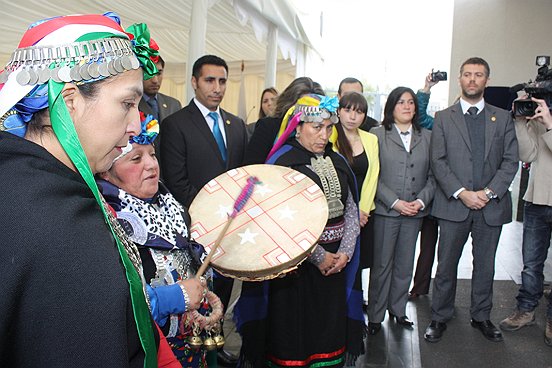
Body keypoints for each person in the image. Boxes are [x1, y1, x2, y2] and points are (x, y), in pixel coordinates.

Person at [0, 13, 182, 367]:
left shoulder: (22, 180)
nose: (135, 125)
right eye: (127, 104)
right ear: (70, 102)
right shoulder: (60, 223)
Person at [234, 94, 364, 367]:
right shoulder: (282, 164)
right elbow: (278, 222)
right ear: (297, 126)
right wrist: (319, 257)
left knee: (328, 333)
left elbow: (351, 208)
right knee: (295, 334)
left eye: (329, 128)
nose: (324, 135)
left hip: (335, 265)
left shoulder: (338, 160)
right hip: (295, 269)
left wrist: (345, 253)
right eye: (316, 127)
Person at [97, 113, 221, 366]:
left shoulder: (173, 208)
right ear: (107, 172)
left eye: (152, 154)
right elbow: (111, 309)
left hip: (192, 346)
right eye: (136, 158)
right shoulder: (105, 223)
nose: (152, 165)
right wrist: (175, 298)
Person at [424, 57, 519, 343]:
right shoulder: (443, 118)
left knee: (485, 266)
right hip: (454, 204)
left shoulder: (502, 118)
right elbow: (437, 161)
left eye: (479, 75)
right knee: (446, 265)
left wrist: (488, 193)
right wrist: (462, 193)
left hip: (491, 206)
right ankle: (440, 316)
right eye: (468, 74)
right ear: (460, 79)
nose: (473, 80)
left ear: (487, 80)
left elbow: (510, 160)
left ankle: (481, 317)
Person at [161, 54, 247, 366]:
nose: (217, 87)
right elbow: (176, 182)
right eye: (210, 80)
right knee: (199, 293)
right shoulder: (175, 125)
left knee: (223, 288)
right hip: (194, 229)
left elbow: (241, 178)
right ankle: (196, 349)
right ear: (195, 82)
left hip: (230, 230)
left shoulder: (236, 126)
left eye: (222, 81)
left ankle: (217, 341)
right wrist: (211, 215)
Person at [366, 87, 435, 335]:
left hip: (416, 212)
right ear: (391, 107)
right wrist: (395, 202)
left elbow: (432, 176)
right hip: (387, 211)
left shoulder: (427, 136)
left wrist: (421, 202)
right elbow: (373, 176)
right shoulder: (377, 135)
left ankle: (398, 310)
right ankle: (375, 315)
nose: (407, 107)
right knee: (382, 263)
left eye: (411, 103)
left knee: (405, 264)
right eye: (401, 102)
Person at [499, 97, 552, 347]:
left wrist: (550, 124)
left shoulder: (546, 120)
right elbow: (527, 154)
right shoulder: (538, 117)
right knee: (531, 264)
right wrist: (520, 122)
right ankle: (526, 310)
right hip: (537, 199)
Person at [330, 91, 379, 311]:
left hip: (364, 215)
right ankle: (337, 309)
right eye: (347, 110)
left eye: (359, 112)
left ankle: (355, 311)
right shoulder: (328, 135)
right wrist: (349, 212)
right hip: (335, 211)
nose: (352, 116)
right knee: (337, 261)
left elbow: (373, 175)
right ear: (338, 111)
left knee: (358, 264)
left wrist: (363, 210)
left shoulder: (371, 139)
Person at [409, 72, 443, 299]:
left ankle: (421, 288)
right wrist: (426, 89)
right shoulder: (442, 122)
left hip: (444, 196)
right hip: (422, 189)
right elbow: (420, 117)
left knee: (430, 247)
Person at [244, 77, 324, 164]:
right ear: (290, 103)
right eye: (304, 106)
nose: (308, 113)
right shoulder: (268, 126)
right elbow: (250, 167)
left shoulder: (323, 133)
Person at [138, 42, 182, 165]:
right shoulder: (132, 105)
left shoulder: (174, 104)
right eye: (150, 73)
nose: (155, 80)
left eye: (159, 73)